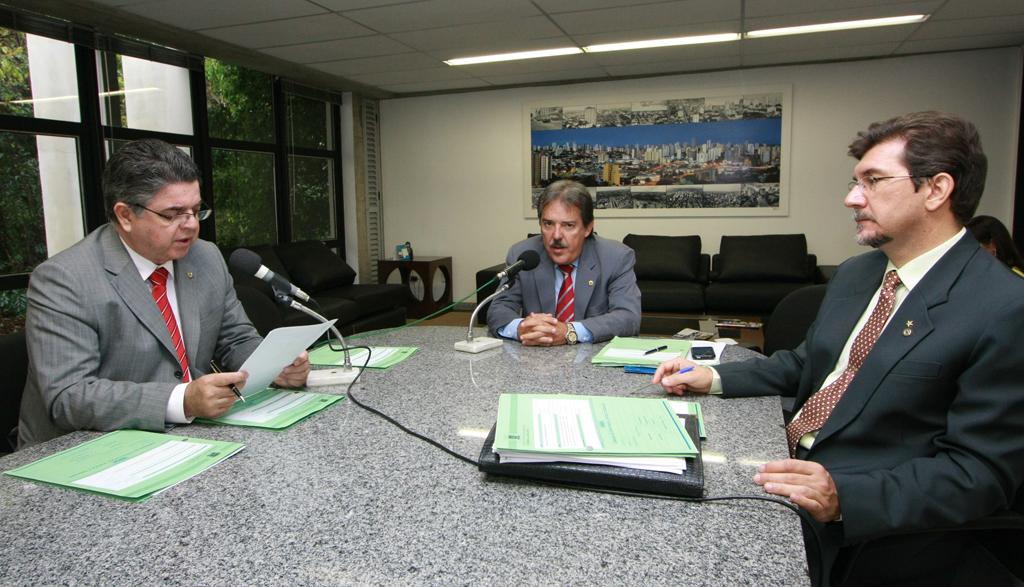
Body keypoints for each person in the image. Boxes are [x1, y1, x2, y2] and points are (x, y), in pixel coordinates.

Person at [653, 112, 1024, 586]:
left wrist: (844, 496)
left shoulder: (1004, 308)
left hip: (870, 528)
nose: (852, 198)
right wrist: (715, 376)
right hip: (779, 459)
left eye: (872, 181)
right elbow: (811, 364)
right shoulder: (857, 274)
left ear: (937, 190)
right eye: (855, 182)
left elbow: (980, 473)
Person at [18, 138, 309, 448]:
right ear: (126, 215)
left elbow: (235, 339)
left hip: (189, 438)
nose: (191, 226)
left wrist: (275, 366)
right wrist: (181, 400)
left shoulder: (205, 257)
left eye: (196, 211)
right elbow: (69, 396)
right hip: (84, 450)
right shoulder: (65, 279)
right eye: (173, 214)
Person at [487, 180, 641, 345]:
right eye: (548, 224)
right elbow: (499, 309)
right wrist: (521, 328)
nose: (557, 235)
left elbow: (628, 317)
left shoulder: (616, 257)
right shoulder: (522, 255)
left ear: (588, 228)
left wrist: (570, 331)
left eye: (568, 225)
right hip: (535, 361)